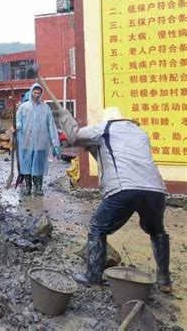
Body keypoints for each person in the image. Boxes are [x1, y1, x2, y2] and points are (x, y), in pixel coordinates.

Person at [59, 106, 170, 292]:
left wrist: (64, 117)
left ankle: (93, 278)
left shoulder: (105, 129)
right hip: (156, 190)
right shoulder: (139, 132)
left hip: (124, 188)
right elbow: (111, 154)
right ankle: (165, 281)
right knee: (157, 230)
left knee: (97, 228)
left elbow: (74, 136)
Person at [15, 83, 60, 196]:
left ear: (41, 94)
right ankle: (28, 187)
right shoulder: (23, 107)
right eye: (35, 92)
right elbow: (18, 121)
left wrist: (55, 144)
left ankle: (38, 187)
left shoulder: (45, 108)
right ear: (31, 93)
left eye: (39, 93)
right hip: (26, 141)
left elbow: (51, 125)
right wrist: (16, 127)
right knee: (26, 166)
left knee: (38, 165)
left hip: (41, 142)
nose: (36, 95)